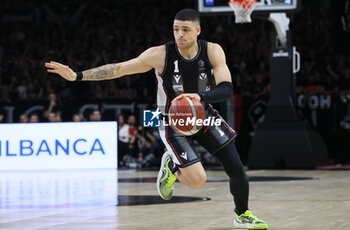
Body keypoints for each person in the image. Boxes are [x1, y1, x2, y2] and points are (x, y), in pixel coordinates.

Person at [45, 9, 268, 229]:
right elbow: (119, 69)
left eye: (185, 30)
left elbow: (226, 89)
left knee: (236, 169)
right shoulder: (160, 54)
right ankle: (171, 165)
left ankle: (242, 214)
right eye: (176, 29)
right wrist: (78, 76)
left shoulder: (212, 51)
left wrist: (200, 97)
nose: (179, 34)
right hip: (171, 119)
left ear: (197, 30)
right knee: (198, 180)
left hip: (204, 115)